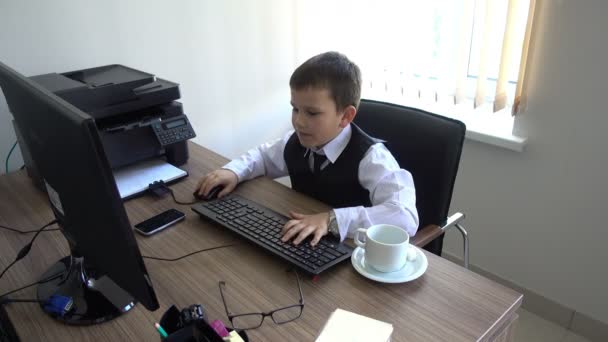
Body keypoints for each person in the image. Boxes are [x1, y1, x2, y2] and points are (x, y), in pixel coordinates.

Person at [196, 51, 418, 247]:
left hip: (352, 253)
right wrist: (234, 171)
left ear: (346, 116)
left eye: (312, 113)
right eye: (295, 109)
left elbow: (405, 216)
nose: (299, 122)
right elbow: (263, 157)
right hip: (306, 245)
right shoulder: (298, 141)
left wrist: (331, 220)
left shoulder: (372, 158)